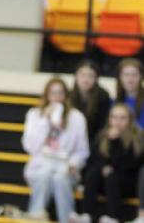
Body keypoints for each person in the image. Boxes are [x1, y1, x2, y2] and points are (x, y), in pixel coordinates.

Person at [22, 77, 89, 223]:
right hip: (41, 164)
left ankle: (64, 219)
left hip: (66, 167)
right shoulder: (34, 115)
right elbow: (30, 146)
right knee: (44, 174)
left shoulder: (77, 117)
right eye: (52, 93)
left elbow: (82, 150)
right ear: (46, 95)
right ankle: (37, 217)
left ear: (66, 95)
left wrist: (74, 164)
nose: (56, 97)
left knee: (59, 178)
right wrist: (44, 121)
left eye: (60, 93)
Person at [69, 104, 144, 223]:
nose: (117, 122)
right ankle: (86, 214)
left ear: (130, 120)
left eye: (122, 118)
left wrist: (115, 142)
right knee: (93, 173)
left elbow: (129, 164)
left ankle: (113, 217)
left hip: (127, 183)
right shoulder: (102, 135)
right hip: (105, 180)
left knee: (111, 176)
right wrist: (104, 167)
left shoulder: (138, 138)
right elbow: (93, 160)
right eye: (114, 117)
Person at [69, 60, 111, 145]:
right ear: (76, 76)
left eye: (91, 76)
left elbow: (102, 126)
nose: (86, 79)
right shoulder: (68, 95)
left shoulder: (103, 96)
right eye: (83, 75)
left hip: (94, 140)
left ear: (96, 79)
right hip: (71, 139)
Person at [115, 59, 144, 128]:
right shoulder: (114, 102)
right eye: (126, 75)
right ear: (120, 77)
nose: (130, 79)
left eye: (134, 75)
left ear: (141, 77)